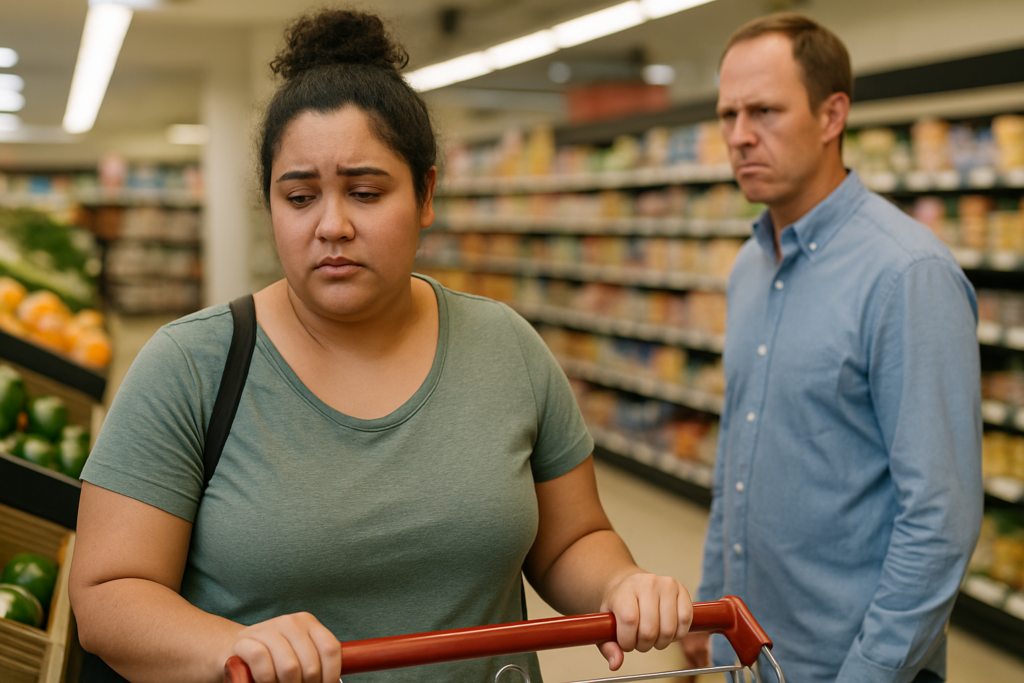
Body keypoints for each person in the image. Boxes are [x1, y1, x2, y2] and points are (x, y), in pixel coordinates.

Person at [68, 9, 694, 683]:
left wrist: (620, 583)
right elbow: (107, 595)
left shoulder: (505, 346)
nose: (332, 225)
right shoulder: (190, 366)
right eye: (300, 196)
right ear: (270, 204)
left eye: (365, 192)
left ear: (425, 193)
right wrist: (229, 644)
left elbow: (571, 538)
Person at [681, 13, 983, 683]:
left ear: (831, 115)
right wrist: (712, 609)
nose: (739, 136)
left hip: (851, 665)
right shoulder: (747, 268)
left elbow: (940, 516)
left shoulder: (907, 275)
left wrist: (868, 671)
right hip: (750, 651)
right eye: (727, 114)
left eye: (764, 110)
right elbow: (737, 455)